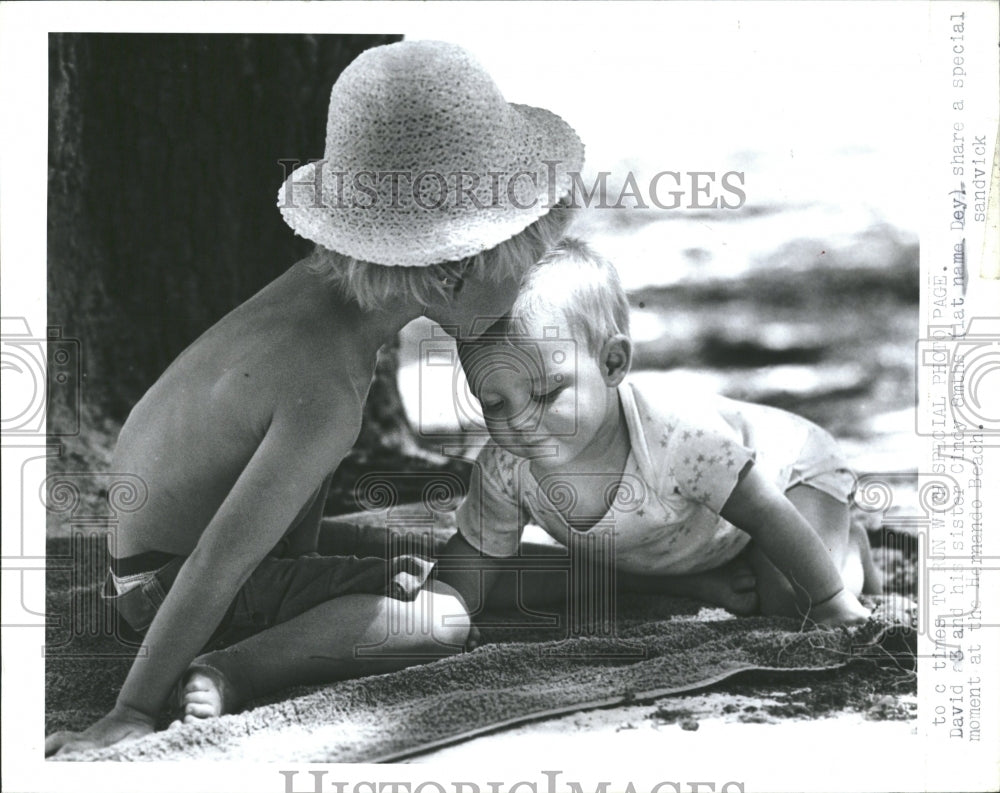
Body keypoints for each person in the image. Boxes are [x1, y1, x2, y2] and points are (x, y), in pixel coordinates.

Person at [45, 40, 582, 756]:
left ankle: (627, 572)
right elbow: (217, 562)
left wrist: (315, 574)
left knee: (449, 551)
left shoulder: (319, 297)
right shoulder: (326, 388)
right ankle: (229, 669)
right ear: (454, 267)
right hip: (172, 588)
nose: (530, 290)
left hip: (171, 560)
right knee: (443, 617)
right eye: (525, 265)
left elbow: (268, 505)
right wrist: (131, 710)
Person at [437, 238, 881, 631]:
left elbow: (767, 511)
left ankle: (848, 547)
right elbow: (473, 559)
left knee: (794, 602)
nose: (519, 421)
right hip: (687, 539)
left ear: (611, 364)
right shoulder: (505, 467)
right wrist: (441, 615)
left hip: (788, 474)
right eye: (494, 403)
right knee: (500, 584)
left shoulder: (678, 437)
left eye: (547, 392)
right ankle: (698, 578)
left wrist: (831, 602)